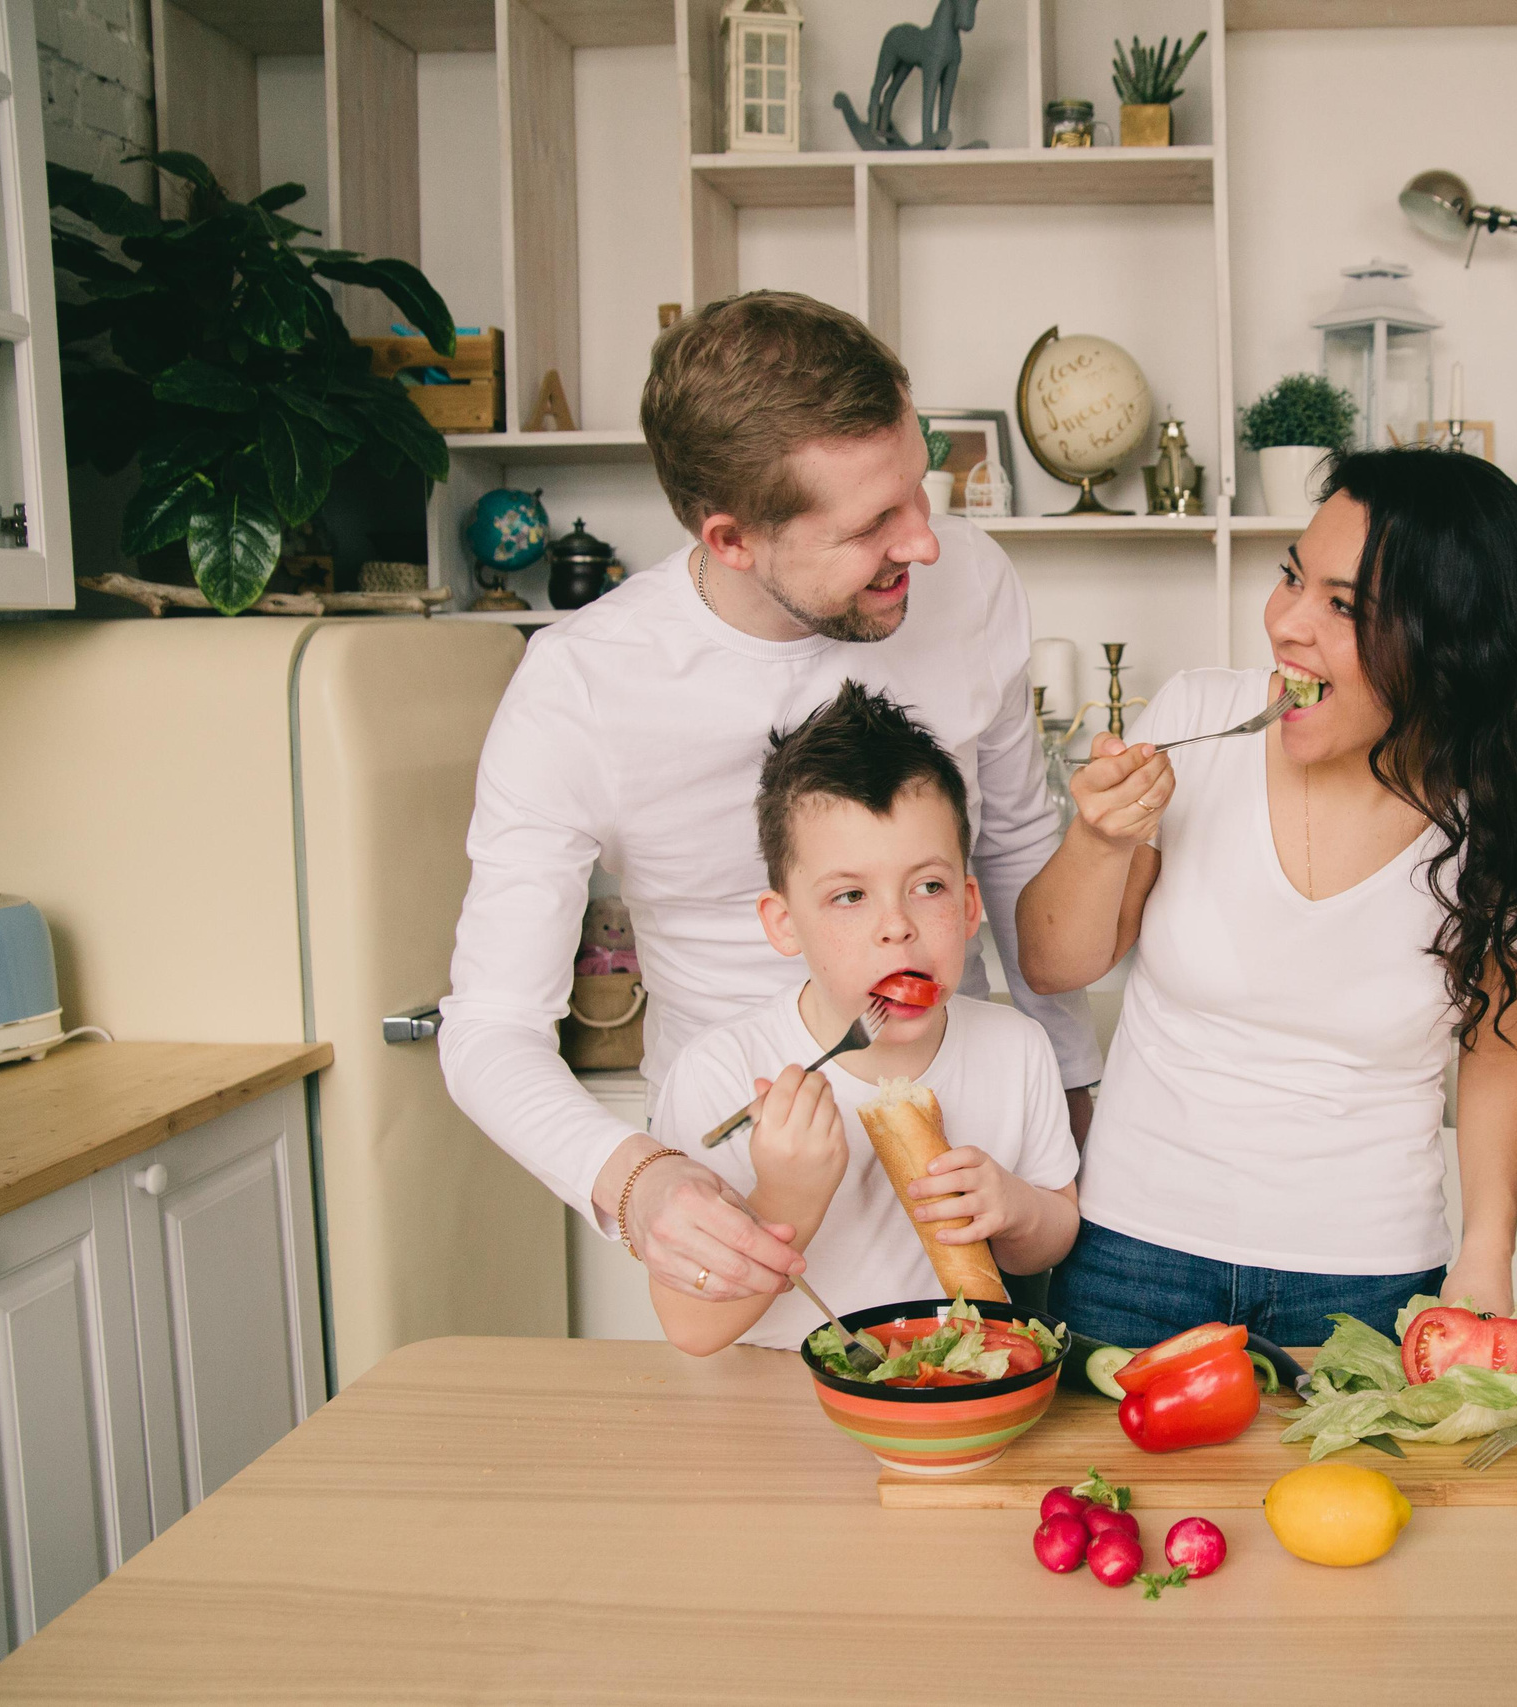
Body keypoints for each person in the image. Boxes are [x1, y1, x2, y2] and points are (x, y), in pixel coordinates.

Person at [438, 292, 1096, 1312]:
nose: (925, 544)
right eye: (871, 525)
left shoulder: (972, 582)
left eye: (917, 489)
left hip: (964, 1155)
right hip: (742, 1189)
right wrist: (635, 1182)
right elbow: (488, 1027)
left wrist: (1072, 1094)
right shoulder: (581, 689)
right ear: (732, 538)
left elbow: (1009, 853)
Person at [1018, 447, 1517, 1349]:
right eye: (1293, 576)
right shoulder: (1194, 721)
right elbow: (1053, 963)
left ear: (1451, 646)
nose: (1287, 623)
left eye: (1344, 606)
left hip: (1368, 1278)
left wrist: (1487, 1254)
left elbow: (1504, 1050)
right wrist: (1098, 838)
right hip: (1134, 1253)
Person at [643, 684, 1080, 1355]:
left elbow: (1054, 1233)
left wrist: (1014, 1208)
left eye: (928, 886)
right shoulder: (721, 1071)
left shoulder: (1015, 1048)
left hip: (947, 1390)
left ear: (969, 906)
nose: (897, 926)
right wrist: (787, 1195)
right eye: (849, 896)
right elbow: (690, 1327)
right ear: (784, 923)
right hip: (772, 1395)